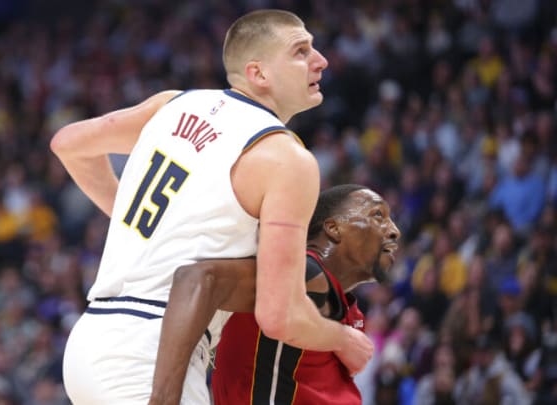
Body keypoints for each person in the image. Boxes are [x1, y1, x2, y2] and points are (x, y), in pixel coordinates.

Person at [51, 9, 373, 405]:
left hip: (89, 342)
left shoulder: (172, 105)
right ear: (259, 73)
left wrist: (129, 217)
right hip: (152, 353)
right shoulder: (285, 158)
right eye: (300, 51)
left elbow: (68, 143)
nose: (320, 59)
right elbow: (280, 316)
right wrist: (343, 339)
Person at [150, 184, 400, 404]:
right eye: (378, 215)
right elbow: (198, 279)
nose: (394, 231)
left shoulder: (346, 308)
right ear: (333, 228)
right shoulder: (298, 274)